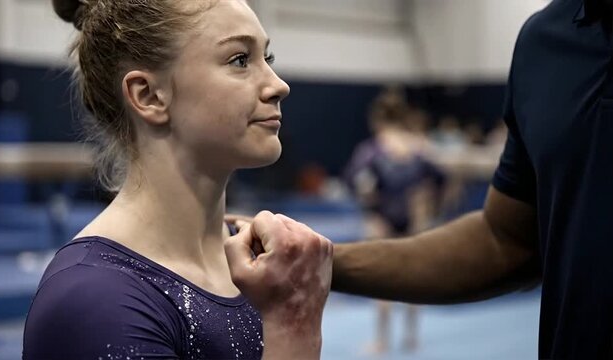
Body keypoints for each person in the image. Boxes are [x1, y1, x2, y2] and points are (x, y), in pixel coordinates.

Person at [229, 0, 613, 358]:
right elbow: (504, 238)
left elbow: (362, 183)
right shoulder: (545, 42)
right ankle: (403, 336)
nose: (278, 85)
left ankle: (387, 337)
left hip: (391, 215)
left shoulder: (379, 150)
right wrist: (310, 257)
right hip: (406, 215)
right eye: (240, 60)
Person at [23, 1, 332, 359]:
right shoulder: (93, 299)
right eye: (240, 60)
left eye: (268, 58)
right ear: (149, 95)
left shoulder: (254, 263)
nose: (279, 85)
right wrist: (293, 326)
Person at [342, 87, 445, 353]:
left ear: (376, 119)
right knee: (413, 279)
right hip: (413, 220)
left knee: (382, 279)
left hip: (383, 220)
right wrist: (430, 207)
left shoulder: (372, 150)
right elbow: (440, 178)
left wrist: (371, 208)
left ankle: (382, 340)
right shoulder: (418, 148)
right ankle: (412, 338)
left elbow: (355, 182)